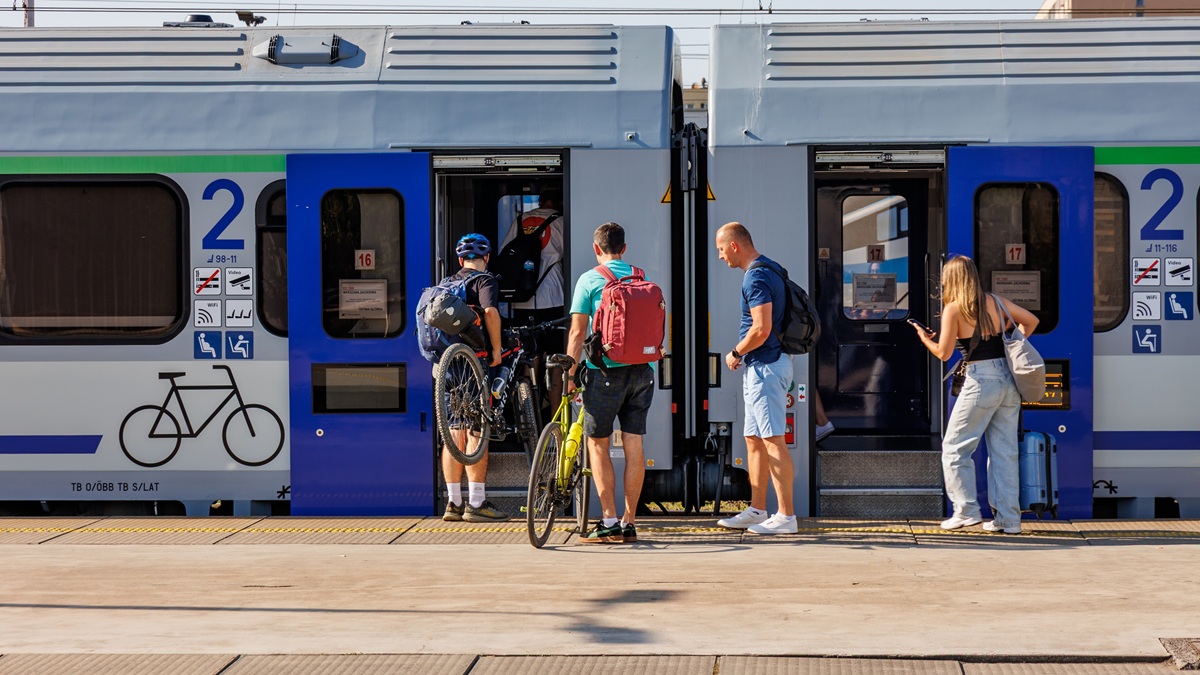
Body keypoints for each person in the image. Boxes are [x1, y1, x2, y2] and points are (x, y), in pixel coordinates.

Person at [912, 254, 1038, 534]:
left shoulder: (954, 309)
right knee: (1004, 452)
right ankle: (1009, 519)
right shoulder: (996, 301)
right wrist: (1012, 339)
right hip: (1008, 379)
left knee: (955, 448)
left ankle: (966, 511)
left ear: (950, 280)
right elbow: (1031, 321)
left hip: (981, 381)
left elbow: (944, 354)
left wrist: (924, 340)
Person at [565, 222, 655, 544]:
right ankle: (629, 522)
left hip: (604, 374)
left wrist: (571, 374)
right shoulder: (639, 276)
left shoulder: (590, 279)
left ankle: (609, 520)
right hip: (642, 372)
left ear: (596, 248)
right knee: (634, 444)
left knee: (598, 444)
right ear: (624, 248)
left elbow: (577, 333)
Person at [713, 222, 798, 535]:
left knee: (773, 440)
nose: (721, 257)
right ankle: (757, 509)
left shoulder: (756, 275)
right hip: (763, 366)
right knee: (754, 439)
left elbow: (760, 329)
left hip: (765, 366)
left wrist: (736, 352)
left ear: (734, 245)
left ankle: (786, 516)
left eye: (721, 250)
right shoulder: (770, 268)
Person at [439, 233, 510, 523]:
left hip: (449, 364)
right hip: (474, 364)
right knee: (478, 429)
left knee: (454, 431)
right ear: (487, 258)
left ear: (459, 260)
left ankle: (453, 502)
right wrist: (495, 350)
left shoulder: (445, 284)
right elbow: (490, 312)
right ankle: (477, 503)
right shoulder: (484, 281)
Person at [501, 185, 567, 410]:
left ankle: (530, 415)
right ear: (559, 203)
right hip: (553, 298)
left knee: (529, 356)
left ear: (540, 201)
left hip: (523, 298)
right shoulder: (560, 222)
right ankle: (556, 416)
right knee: (555, 357)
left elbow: (506, 254)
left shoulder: (520, 222)